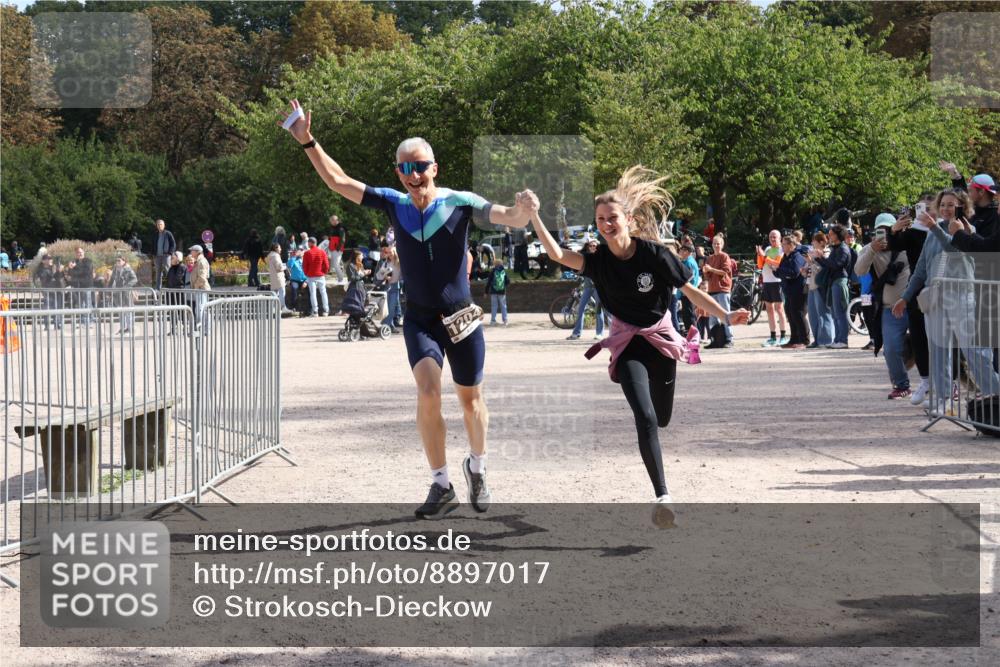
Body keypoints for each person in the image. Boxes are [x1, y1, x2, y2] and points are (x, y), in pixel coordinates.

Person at [279, 99, 534, 518]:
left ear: (435, 167)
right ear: (398, 172)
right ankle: (440, 483)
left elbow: (507, 215)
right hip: (420, 319)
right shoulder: (394, 204)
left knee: (471, 401)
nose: (414, 175)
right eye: (406, 168)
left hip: (462, 317)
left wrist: (522, 211)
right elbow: (339, 181)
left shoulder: (460, 202)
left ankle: (478, 466)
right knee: (428, 393)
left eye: (421, 166)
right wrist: (307, 141)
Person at [523, 166, 749, 511]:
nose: (606, 224)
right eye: (600, 219)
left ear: (627, 218)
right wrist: (535, 215)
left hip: (660, 341)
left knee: (661, 418)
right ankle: (663, 497)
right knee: (643, 418)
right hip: (627, 344)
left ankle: (660, 467)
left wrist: (725, 316)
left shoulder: (654, 255)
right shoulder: (597, 261)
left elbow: (688, 290)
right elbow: (557, 254)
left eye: (611, 217)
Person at [893, 188, 999, 414]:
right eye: (943, 205)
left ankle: (995, 395)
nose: (946, 209)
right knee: (939, 352)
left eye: (951, 204)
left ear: (962, 206)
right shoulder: (932, 232)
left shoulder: (968, 229)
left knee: (975, 352)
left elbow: (954, 248)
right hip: (935, 298)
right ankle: (943, 402)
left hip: (962, 295)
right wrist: (905, 297)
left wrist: (934, 228)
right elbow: (921, 269)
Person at [855, 214, 912, 398]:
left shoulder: (909, 242)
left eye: (889, 229)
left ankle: (941, 386)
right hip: (890, 307)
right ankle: (902, 385)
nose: (885, 234)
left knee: (931, 346)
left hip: (917, 306)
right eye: (881, 230)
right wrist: (872, 249)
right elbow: (859, 270)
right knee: (891, 349)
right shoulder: (871, 248)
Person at [887, 196, 935, 404]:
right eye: (921, 207)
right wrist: (894, 229)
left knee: (941, 339)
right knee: (919, 337)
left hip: (941, 288)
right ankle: (926, 381)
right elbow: (892, 244)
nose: (925, 211)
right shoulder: (914, 232)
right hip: (917, 288)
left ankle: (948, 384)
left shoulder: (944, 231)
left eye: (930, 207)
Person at [811, 225, 852, 348]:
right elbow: (829, 265)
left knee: (840, 312)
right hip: (834, 281)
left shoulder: (843, 249)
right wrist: (819, 258)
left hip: (840, 281)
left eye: (832, 234)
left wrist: (821, 257)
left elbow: (836, 265)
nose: (829, 236)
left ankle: (843, 340)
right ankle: (838, 339)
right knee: (835, 312)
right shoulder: (836, 248)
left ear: (838, 235)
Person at [568, 240, 611, 340]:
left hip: (598, 287)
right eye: (591, 245)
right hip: (588, 287)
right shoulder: (586, 257)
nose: (593, 247)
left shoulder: (601, 258)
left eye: (595, 245)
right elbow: (578, 267)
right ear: (588, 247)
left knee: (598, 310)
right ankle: (576, 333)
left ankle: (599, 333)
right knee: (580, 308)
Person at [775, 235, 809, 349]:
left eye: (783, 244)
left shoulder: (797, 257)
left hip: (798, 290)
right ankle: (794, 339)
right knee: (790, 314)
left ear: (791, 245)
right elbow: (780, 272)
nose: (782, 246)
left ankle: (804, 340)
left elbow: (794, 272)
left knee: (798, 314)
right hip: (788, 291)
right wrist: (776, 270)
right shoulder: (785, 256)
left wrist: (779, 270)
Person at [702, 233, 735, 348]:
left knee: (726, 314)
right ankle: (714, 339)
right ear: (712, 245)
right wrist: (706, 271)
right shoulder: (710, 258)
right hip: (712, 289)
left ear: (722, 245)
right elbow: (708, 277)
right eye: (715, 243)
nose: (716, 245)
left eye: (718, 244)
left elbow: (725, 272)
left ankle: (729, 339)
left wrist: (711, 269)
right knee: (712, 316)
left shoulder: (725, 256)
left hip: (723, 289)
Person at [756, 229, 787, 347]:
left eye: (775, 237)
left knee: (779, 309)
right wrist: (760, 255)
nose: (773, 239)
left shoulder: (781, 250)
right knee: (769, 309)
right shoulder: (768, 249)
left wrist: (764, 257)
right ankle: (773, 336)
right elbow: (760, 265)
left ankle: (783, 336)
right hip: (767, 281)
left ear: (779, 238)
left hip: (777, 281)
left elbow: (777, 263)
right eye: (771, 237)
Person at [805, 232, 834, 348]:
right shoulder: (813, 254)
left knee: (824, 313)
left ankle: (826, 340)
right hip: (811, 286)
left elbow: (823, 270)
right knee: (813, 315)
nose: (812, 243)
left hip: (821, 287)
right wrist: (806, 267)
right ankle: (817, 340)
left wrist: (812, 261)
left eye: (814, 241)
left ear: (821, 242)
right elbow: (812, 270)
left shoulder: (826, 253)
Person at [106, 256, 138, 334]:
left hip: (126, 293)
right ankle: (123, 328)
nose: (117, 262)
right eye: (116, 260)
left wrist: (126, 286)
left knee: (128, 312)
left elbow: (134, 279)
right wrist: (109, 291)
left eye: (119, 260)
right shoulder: (115, 270)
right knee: (120, 312)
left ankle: (130, 328)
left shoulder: (128, 269)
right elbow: (112, 280)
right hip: (117, 294)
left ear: (124, 261)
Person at [33, 254, 64, 329]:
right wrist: (55, 271)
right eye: (48, 258)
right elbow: (44, 279)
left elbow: (59, 278)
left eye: (51, 258)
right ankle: (47, 325)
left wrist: (59, 271)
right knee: (47, 308)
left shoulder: (54, 267)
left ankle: (58, 324)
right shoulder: (40, 269)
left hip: (57, 290)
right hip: (47, 291)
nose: (50, 260)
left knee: (58, 307)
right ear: (43, 261)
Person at [65, 246, 96, 323]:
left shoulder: (88, 261)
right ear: (76, 254)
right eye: (78, 252)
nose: (80, 254)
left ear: (84, 252)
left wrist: (75, 268)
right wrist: (70, 268)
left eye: (81, 252)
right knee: (80, 304)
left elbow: (86, 271)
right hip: (77, 286)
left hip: (86, 285)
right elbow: (70, 273)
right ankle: (83, 320)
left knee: (88, 303)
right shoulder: (74, 261)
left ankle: (90, 320)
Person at [376, 243, 403, 332]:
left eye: (391, 252)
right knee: (387, 308)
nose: (390, 254)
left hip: (395, 287)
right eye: (388, 252)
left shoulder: (399, 263)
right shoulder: (386, 263)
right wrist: (385, 276)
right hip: (387, 286)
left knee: (392, 308)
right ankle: (388, 326)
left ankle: (386, 326)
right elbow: (378, 275)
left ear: (395, 252)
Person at [302, 236, 330, 317]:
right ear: (316, 243)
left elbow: (304, 266)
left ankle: (315, 312)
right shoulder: (322, 252)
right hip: (320, 275)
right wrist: (324, 272)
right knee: (323, 293)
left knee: (313, 294)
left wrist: (307, 273)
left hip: (311, 276)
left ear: (310, 243)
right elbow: (326, 265)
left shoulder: (307, 253)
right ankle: (326, 311)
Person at [676, 243, 700, 334]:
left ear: (686, 251)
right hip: (686, 293)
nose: (680, 251)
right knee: (686, 315)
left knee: (690, 316)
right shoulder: (686, 261)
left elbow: (689, 277)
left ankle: (694, 336)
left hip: (689, 293)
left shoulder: (689, 262)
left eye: (681, 250)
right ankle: (690, 335)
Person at [189, 245, 211, 331]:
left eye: (192, 251)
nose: (191, 252)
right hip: (199, 288)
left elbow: (202, 277)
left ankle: (204, 329)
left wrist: (195, 286)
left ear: (197, 252)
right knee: (200, 309)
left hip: (201, 288)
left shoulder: (201, 261)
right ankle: (202, 328)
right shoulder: (198, 261)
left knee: (201, 309)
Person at [266, 244, 291, 313]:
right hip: (278, 277)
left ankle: (273, 309)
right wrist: (285, 267)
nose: (281, 249)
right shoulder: (276, 256)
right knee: (282, 293)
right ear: (276, 248)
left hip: (273, 277)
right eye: (280, 248)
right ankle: (282, 307)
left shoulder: (270, 255)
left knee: (274, 294)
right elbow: (279, 268)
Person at [485, 258, 510, 326]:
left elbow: (489, 282)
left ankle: (493, 321)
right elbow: (508, 281)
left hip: (493, 292)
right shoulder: (503, 271)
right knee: (503, 306)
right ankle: (505, 320)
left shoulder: (492, 271)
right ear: (501, 264)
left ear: (494, 264)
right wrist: (503, 286)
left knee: (494, 306)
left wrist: (486, 292)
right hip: (502, 292)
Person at [152, 219, 176, 289]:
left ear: (164, 225)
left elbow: (173, 244)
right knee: (158, 273)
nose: (159, 226)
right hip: (157, 256)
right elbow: (153, 244)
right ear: (156, 226)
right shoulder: (155, 234)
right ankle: (158, 289)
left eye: (161, 224)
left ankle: (171, 287)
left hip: (166, 255)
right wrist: (153, 254)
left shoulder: (168, 233)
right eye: (158, 224)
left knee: (168, 271)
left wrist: (170, 253)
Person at [328, 215, 348, 283]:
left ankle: (341, 278)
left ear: (335, 220)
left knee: (336, 264)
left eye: (331, 220)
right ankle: (340, 278)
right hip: (333, 248)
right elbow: (333, 237)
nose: (330, 222)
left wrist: (338, 248)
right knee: (335, 264)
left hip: (337, 249)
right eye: (330, 221)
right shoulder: (333, 228)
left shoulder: (340, 228)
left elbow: (342, 239)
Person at [287, 248, 307, 312]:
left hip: (304, 280)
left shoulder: (306, 259)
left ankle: (309, 308)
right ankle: (294, 307)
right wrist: (294, 256)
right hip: (295, 280)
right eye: (299, 250)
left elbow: (309, 271)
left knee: (309, 289)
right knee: (294, 289)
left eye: (302, 250)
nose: (300, 252)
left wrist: (306, 281)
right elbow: (289, 266)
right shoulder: (293, 259)